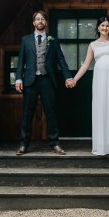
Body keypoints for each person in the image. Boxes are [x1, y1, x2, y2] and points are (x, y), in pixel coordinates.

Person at [71, 16, 109, 155]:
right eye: (102, 25)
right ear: (98, 27)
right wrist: (75, 79)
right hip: (100, 81)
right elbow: (86, 64)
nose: (105, 28)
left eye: (107, 26)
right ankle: (102, 145)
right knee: (102, 107)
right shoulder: (93, 45)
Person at [15, 10, 74, 156]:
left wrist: (68, 76)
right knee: (27, 114)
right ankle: (23, 144)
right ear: (33, 22)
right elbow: (21, 61)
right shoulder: (26, 40)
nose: (40, 21)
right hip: (30, 80)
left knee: (51, 113)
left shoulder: (53, 40)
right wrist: (18, 78)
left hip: (47, 80)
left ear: (46, 23)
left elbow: (61, 60)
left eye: (42, 19)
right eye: (37, 19)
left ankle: (55, 144)